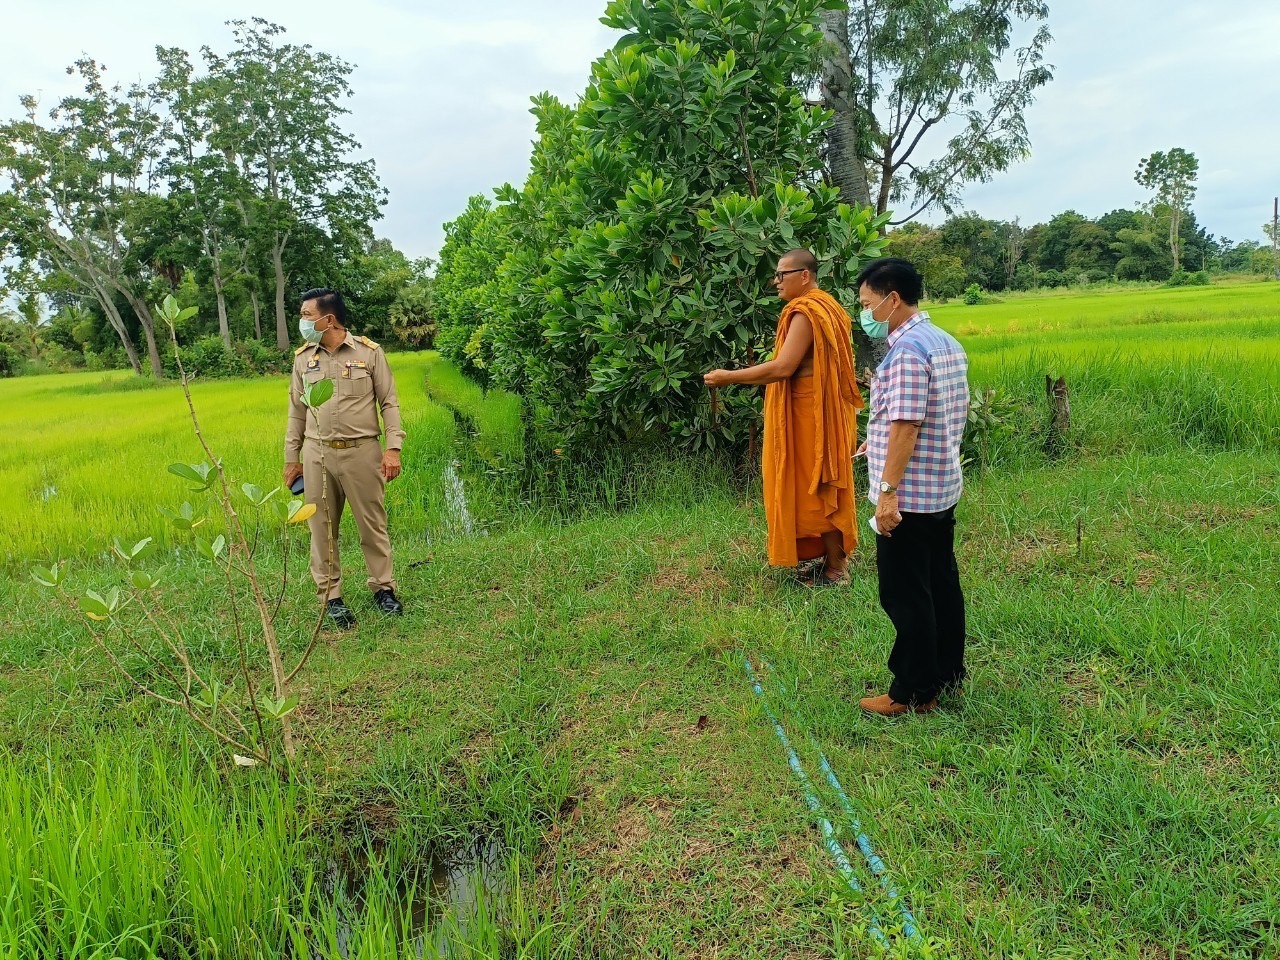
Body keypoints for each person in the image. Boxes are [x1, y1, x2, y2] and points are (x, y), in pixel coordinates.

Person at [704, 248, 863, 585]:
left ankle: (836, 569)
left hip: (813, 417)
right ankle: (830, 561)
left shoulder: (807, 312)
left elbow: (783, 367)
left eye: (782, 275)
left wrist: (727, 377)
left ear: (804, 275)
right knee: (819, 486)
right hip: (822, 411)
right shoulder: (828, 304)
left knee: (820, 486)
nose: (775, 281)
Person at [854, 258, 969, 716]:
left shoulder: (905, 352)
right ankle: (948, 674)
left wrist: (887, 492)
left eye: (867, 304)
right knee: (941, 584)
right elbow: (915, 416)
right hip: (940, 488)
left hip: (909, 498)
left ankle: (914, 691)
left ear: (892, 299)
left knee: (905, 593)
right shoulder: (943, 342)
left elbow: (907, 424)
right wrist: (875, 437)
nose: (864, 313)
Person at [284, 288, 406, 629]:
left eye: (307, 315)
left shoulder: (369, 353)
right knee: (321, 530)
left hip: (362, 453)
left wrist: (393, 447)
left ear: (329, 319)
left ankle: (383, 589)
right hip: (316, 454)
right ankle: (331, 598)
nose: (303, 322)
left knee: (373, 526)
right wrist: (291, 458)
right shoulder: (303, 359)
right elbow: (296, 412)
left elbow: (389, 403)